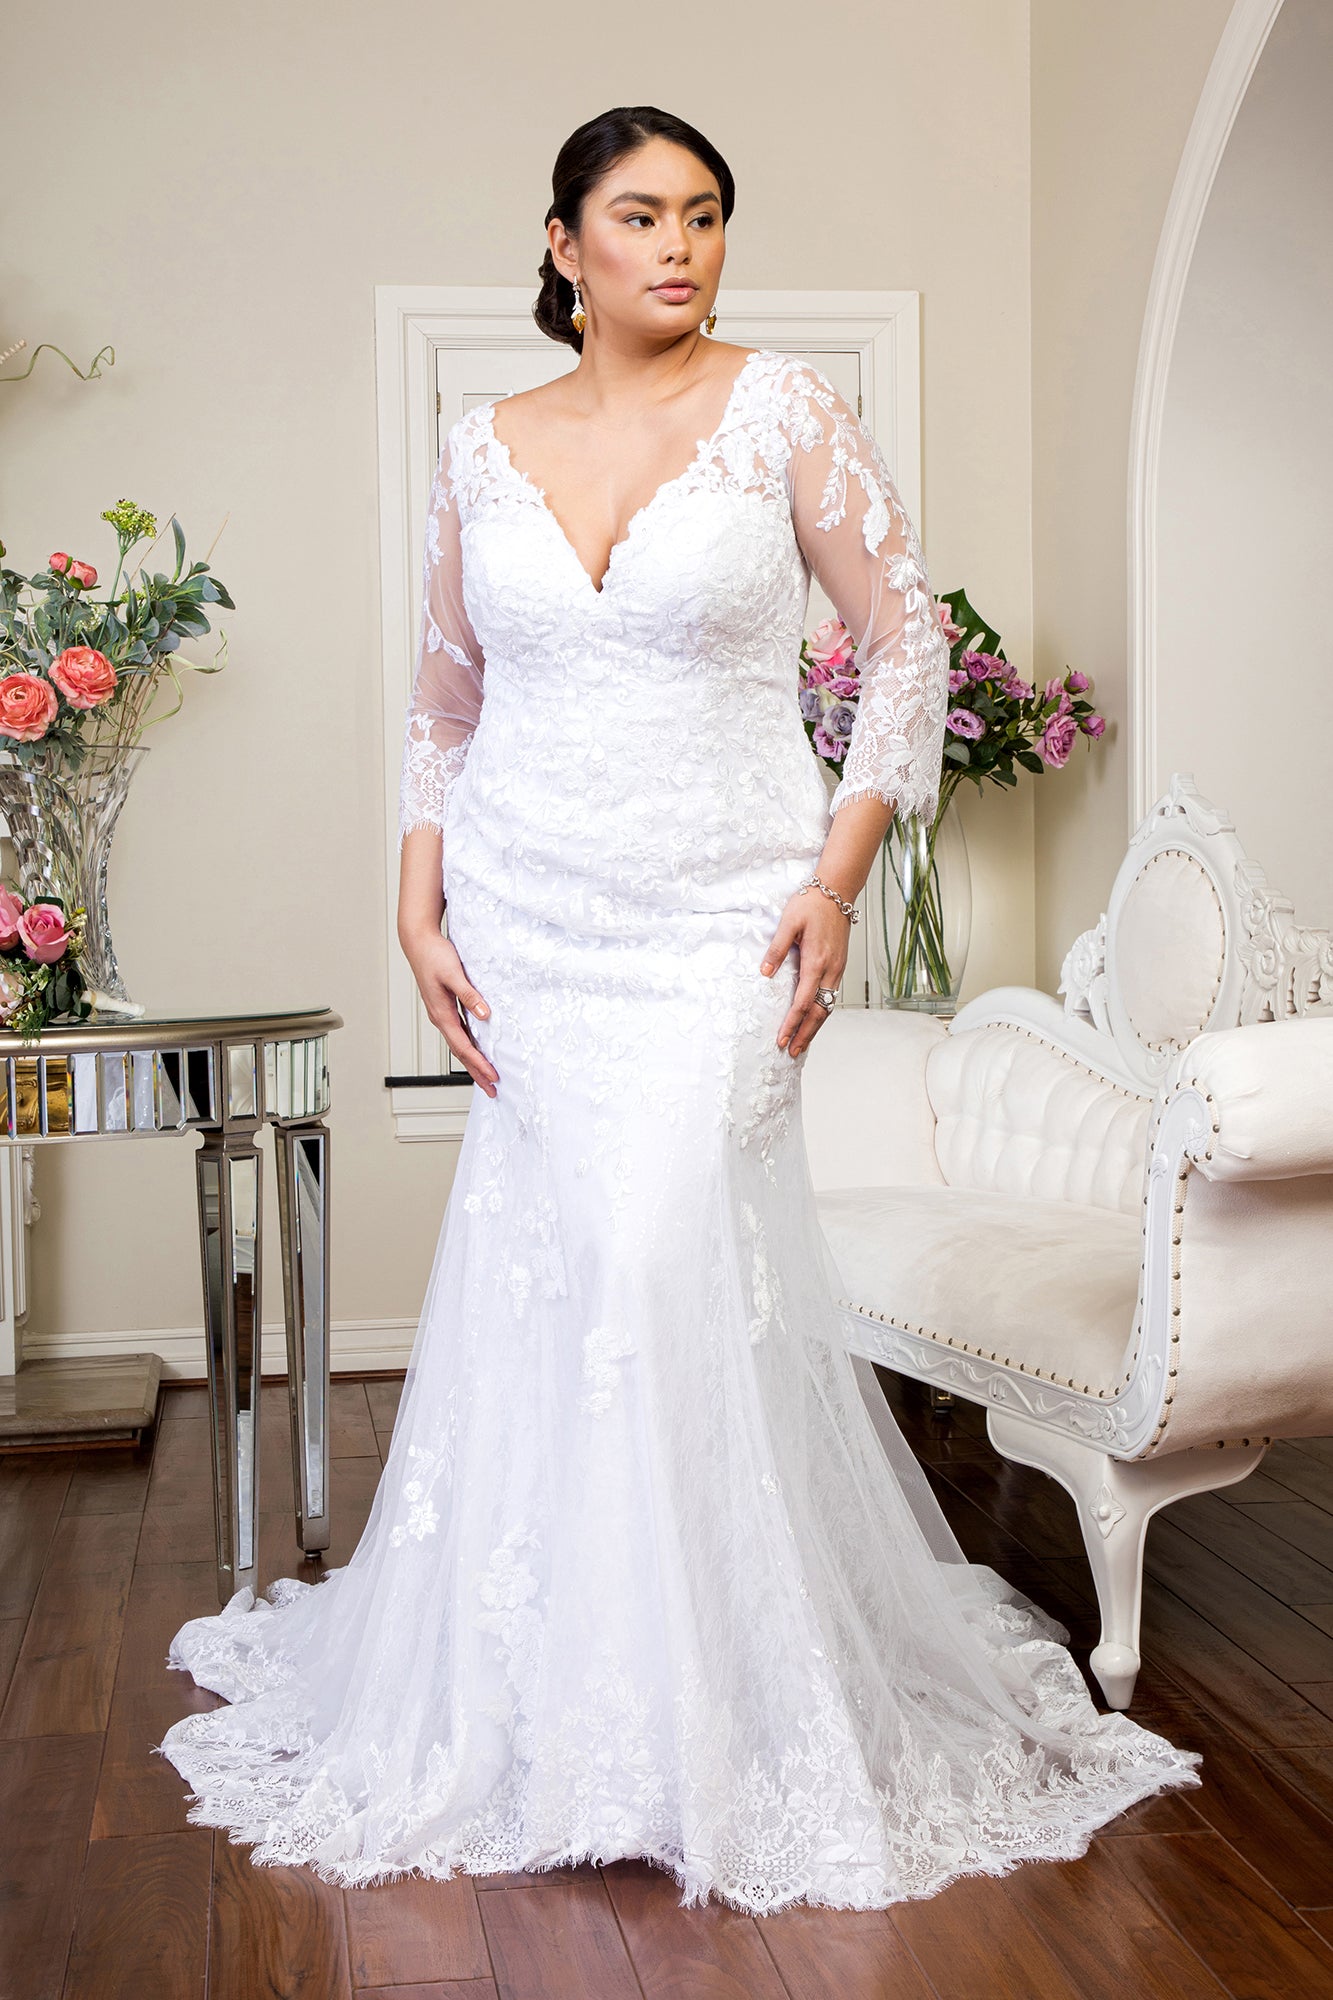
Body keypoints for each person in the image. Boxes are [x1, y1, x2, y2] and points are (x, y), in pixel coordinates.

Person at [156, 104, 1201, 1913]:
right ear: (560, 242)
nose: (679, 247)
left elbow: (903, 646)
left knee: (660, 1261)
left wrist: (835, 878)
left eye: (704, 216)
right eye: (638, 216)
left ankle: (706, 1717)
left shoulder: (785, 411)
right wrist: (415, 892)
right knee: (561, 1274)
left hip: (725, 912)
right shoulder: (480, 445)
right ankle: (546, 1704)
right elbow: (444, 696)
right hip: (528, 914)